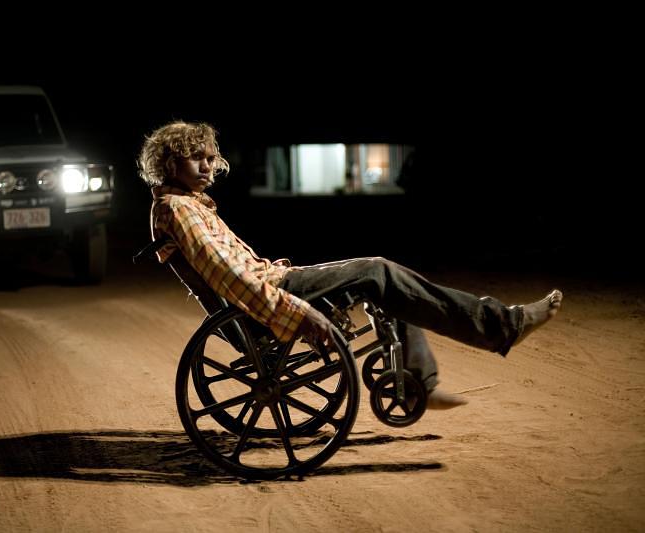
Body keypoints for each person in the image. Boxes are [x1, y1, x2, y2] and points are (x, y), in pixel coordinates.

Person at [139, 121, 563, 410]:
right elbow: (231, 279)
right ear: (171, 163)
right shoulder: (179, 209)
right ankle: (500, 327)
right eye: (196, 158)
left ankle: (417, 383)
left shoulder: (188, 205)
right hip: (272, 296)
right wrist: (297, 314)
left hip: (276, 283)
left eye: (210, 158)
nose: (208, 167)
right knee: (379, 271)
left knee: (384, 279)